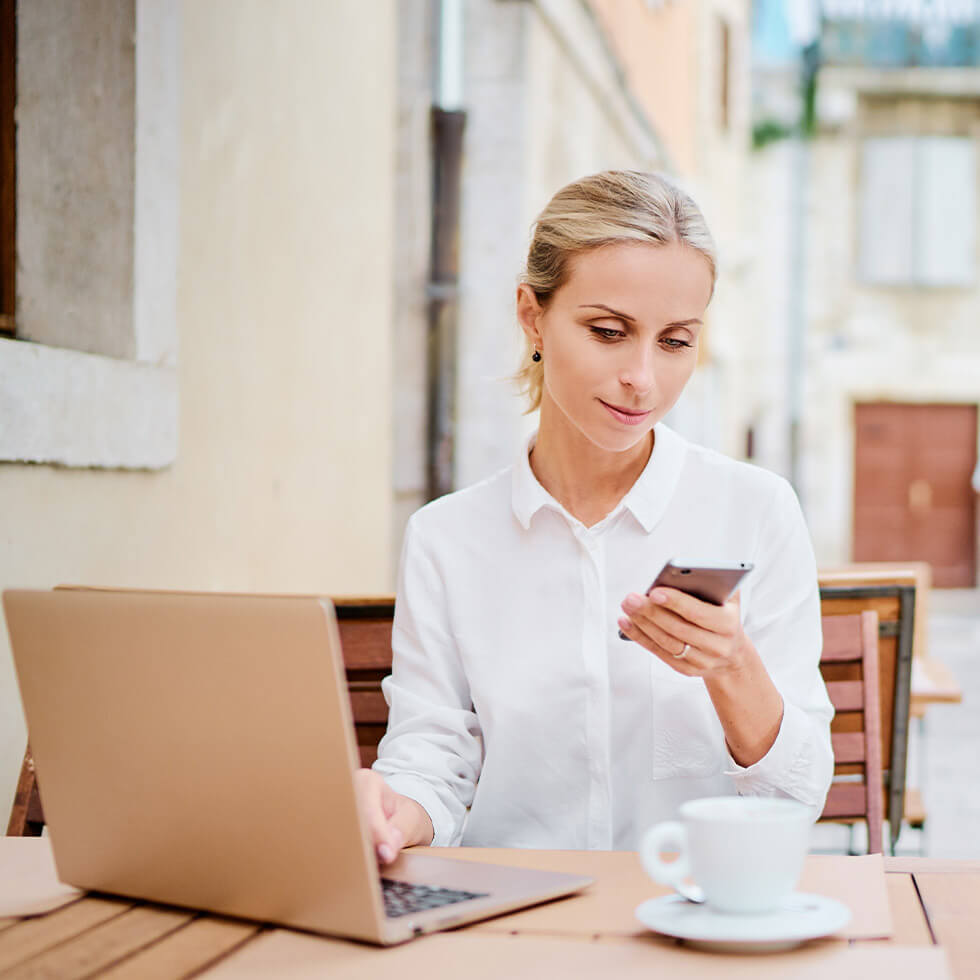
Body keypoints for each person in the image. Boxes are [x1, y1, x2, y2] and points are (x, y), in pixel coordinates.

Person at [356, 170, 834, 865]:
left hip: (690, 916)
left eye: (675, 341)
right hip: (508, 922)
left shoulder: (755, 510)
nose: (643, 377)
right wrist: (396, 812)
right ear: (532, 315)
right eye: (609, 332)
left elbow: (798, 798)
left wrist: (731, 668)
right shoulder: (447, 538)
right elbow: (431, 766)